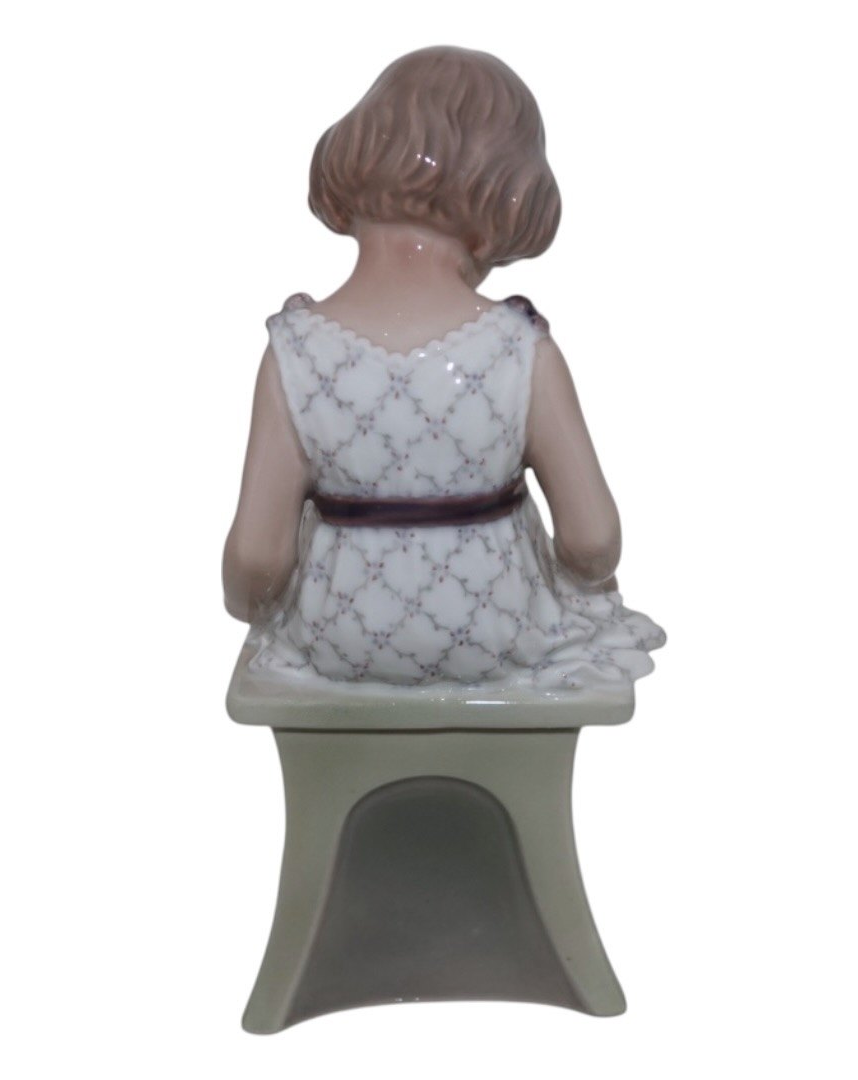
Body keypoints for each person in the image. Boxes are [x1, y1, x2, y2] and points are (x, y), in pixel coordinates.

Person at [223, 46, 664, 689]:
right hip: (499, 635)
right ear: (510, 199)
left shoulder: (295, 350)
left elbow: (256, 560)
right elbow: (594, 540)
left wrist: (252, 606)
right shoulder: (520, 348)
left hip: (339, 642)